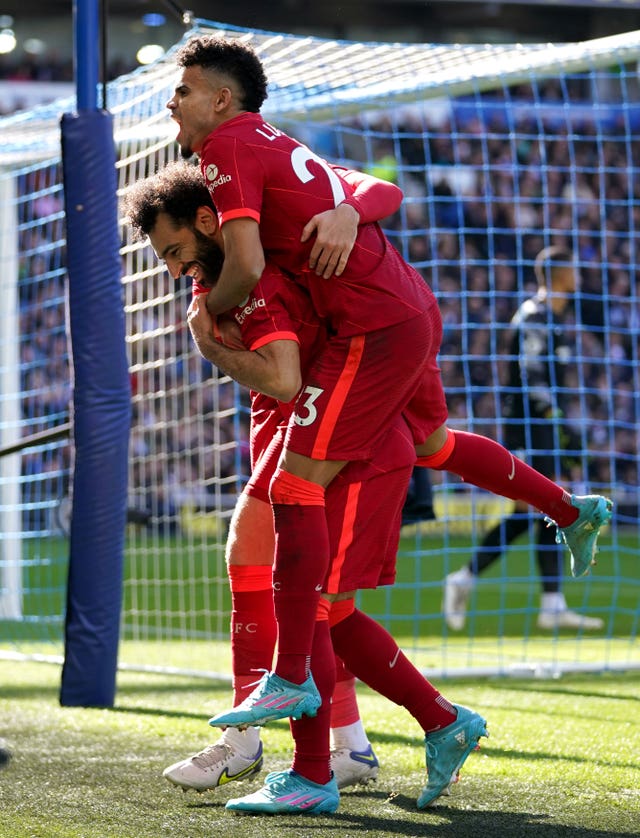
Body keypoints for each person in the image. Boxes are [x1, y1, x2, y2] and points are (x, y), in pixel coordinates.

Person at [164, 35, 611, 809]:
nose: (174, 101)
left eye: (185, 88)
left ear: (222, 101)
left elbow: (274, 353)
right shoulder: (275, 147)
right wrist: (343, 207)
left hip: (375, 337)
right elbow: (381, 189)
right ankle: (567, 512)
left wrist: (208, 319)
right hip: (405, 313)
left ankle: (300, 724)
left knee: (296, 509)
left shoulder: (231, 157)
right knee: (425, 453)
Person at [125, 160, 487, 813]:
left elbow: (285, 377)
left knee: (312, 602)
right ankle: (414, 727)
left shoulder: (260, 250)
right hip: (321, 430)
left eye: (175, 252)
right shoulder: (242, 258)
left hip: (347, 438)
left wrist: (212, 347)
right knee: (312, 599)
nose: (175, 272)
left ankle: (309, 765)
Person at [443, 248, 604, 632]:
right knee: (545, 508)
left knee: (543, 511)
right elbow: (530, 375)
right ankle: (468, 578)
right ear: (559, 274)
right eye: (573, 270)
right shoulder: (534, 316)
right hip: (531, 426)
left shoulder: (559, 318)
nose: (578, 276)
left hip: (549, 425)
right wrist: (552, 418)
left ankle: (547, 601)